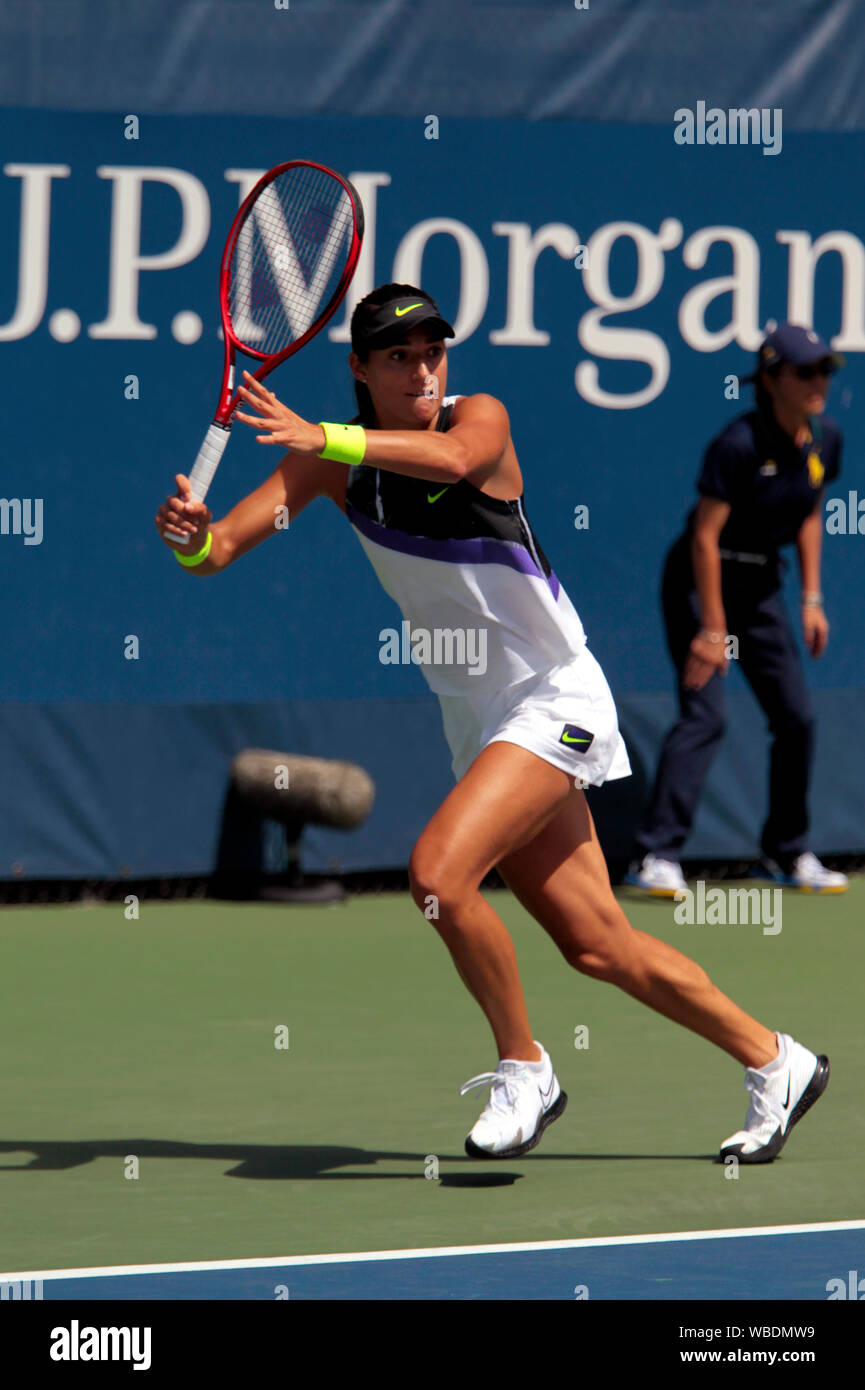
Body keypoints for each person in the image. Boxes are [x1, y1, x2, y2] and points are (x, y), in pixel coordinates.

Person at [155, 286, 829, 1164]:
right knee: (598, 944)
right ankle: (774, 1059)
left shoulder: (479, 419)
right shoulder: (327, 467)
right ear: (359, 369)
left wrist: (327, 435)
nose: (423, 368)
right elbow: (219, 553)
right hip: (479, 721)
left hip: (555, 699)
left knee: (438, 872)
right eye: (398, 356)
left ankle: (524, 1067)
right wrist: (189, 536)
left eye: (433, 350)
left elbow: (453, 461)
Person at [627, 324, 848, 897]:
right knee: (707, 716)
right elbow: (704, 537)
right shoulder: (738, 444)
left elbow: (807, 515)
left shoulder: (826, 439)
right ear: (772, 380)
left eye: (824, 369)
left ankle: (785, 852)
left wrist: (812, 598)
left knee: (797, 718)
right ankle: (656, 855)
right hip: (702, 585)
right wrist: (713, 629)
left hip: (761, 589)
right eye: (805, 371)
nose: (819, 381)